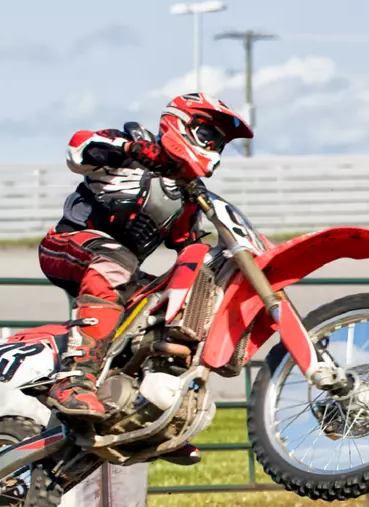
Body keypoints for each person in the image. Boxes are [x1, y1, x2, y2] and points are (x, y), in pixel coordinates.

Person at [39, 93, 252, 465]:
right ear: (184, 124)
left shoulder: (187, 199)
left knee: (178, 301)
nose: (214, 148)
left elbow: (190, 251)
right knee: (115, 260)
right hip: (67, 245)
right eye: (209, 136)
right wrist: (130, 147)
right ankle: (73, 379)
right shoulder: (131, 150)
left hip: (119, 272)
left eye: (220, 144)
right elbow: (79, 150)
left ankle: (149, 417)